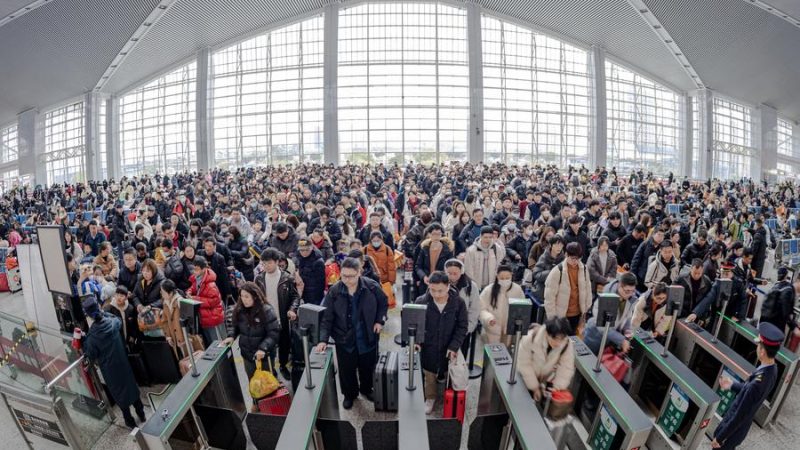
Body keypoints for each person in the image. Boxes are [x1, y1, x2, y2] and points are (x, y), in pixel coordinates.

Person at [315, 257, 388, 410]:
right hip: (344, 337)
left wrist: (379, 321)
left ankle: (366, 389)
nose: (347, 280)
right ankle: (349, 394)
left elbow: (383, 302)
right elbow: (327, 318)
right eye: (344, 276)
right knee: (346, 369)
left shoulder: (372, 287)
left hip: (367, 335)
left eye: (351, 276)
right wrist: (323, 339)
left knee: (367, 366)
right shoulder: (334, 291)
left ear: (359, 273)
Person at [712, 323, 782, 449]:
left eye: (758, 345)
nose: (757, 348)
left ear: (762, 351)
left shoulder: (758, 383)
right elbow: (749, 393)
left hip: (731, 433)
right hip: (739, 430)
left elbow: (739, 415)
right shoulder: (772, 369)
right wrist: (732, 385)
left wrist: (720, 437)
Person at [81, 297, 145, 429]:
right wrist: (104, 313)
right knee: (131, 388)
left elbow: (90, 354)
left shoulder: (92, 337)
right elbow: (118, 321)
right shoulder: (113, 323)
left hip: (110, 370)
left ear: (88, 315)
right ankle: (141, 413)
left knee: (119, 393)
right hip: (123, 364)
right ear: (99, 308)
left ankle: (129, 420)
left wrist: (82, 340)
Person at [414, 271, 468, 414]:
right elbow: (415, 325)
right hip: (429, 346)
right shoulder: (421, 301)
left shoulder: (458, 303)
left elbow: (462, 326)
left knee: (447, 370)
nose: (436, 294)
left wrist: (454, 346)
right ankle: (430, 397)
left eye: (440, 291)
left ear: (448, 286)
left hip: (448, 344)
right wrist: (417, 341)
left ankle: (445, 390)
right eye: (432, 290)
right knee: (429, 374)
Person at [256, 248, 301, 380]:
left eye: (269, 263)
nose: (266, 266)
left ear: (277, 262)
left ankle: (282, 365)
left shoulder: (286, 278)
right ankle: (271, 368)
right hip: (266, 320)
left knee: (284, 344)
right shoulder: (259, 278)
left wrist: (292, 309)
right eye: (263, 263)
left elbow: (295, 297)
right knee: (268, 345)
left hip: (282, 319)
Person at [222, 281, 281, 380]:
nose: (244, 300)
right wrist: (231, 336)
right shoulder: (239, 309)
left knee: (268, 384)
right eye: (242, 296)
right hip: (247, 355)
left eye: (247, 296)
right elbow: (234, 325)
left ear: (255, 296)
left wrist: (263, 348)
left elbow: (274, 333)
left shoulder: (266, 310)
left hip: (264, 357)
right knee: (253, 382)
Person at [517, 317, 576, 401]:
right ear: (547, 333)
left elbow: (566, 367)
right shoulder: (530, 337)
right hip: (524, 377)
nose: (558, 343)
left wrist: (557, 386)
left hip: (544, 380)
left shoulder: (566, 344)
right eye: (555, 338)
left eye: (561, 339)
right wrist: (534, 387)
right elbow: (524, 364)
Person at [583, 272, 638, 355]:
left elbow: (627, 317)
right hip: (594, 337)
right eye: (627, 291)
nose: (630, 294)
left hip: (610, 340)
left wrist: (627, 330)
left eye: (632, 291)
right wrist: (622, 340)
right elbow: (602, 326)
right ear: (620, 286)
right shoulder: (606, 297)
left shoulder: (630, 299)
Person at [543, 242, 592, 330]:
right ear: (566, 254)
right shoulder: (558, 271)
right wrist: (553, 319)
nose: (576, 261)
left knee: (573, 341)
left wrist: (586, 308)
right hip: (561, 315)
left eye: (578, 258)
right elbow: (549, 298)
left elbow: (588, 288)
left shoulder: (584, 269)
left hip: (577, 314)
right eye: (573, 258)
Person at [479, 265, 525, 345]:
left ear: (511, 275)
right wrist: (488, 318)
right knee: (492, 353)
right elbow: (481, 308)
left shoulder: (517, 290)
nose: (505, 280)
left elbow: (522, 307)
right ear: (497, 277)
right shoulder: (488, 290)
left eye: (507, 278)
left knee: (507, 353)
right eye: (502, 278)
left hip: (509, 330)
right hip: (492, 329)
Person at [444, 259, 482, 357]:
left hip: (463, 328)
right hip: (444, 328)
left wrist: (468, 328)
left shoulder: (470, 286)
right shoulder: (441, 283)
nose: (452, 276)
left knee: (460, 357)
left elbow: (474, 308)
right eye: (449, 273)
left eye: (455, 273)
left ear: (462, 272)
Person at [187, 256, 226, 346]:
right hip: (205, 317)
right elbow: (193, 288)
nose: (194, 272)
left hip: (213, 317)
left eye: (196, 269)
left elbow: (214, 301)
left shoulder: (211, 284)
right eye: (194, 269)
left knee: (218, 343)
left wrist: (195, 299)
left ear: (204, 269)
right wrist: (189, 292)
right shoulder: (197, 279)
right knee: (211, 343)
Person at [464, 225, 506, 290]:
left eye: (490, 237)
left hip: (492, 284)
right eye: (485, 237)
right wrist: (473, 282)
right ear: (480, 236)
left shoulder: (497, 248)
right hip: (476, 284)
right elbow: (468, 268)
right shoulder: (471, 250)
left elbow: (499, 264)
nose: (488, 239)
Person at [159, 279, 193, 359]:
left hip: (185, 339)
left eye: (163, 292)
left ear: (170, 293)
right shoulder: (165, 303)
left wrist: (185, 337)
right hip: (174, 339)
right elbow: (164, 321)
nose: (161, 293)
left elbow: (189, 322)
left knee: (191, 359)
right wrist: (168, 336)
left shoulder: (180, 301)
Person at [415, 224, 454, 291]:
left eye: (439, 234)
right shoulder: (425, 248)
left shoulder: (447, 250)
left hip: (441, 284)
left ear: (441, 235)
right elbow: (418, 266)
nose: (436, 237)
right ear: (429, 235)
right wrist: (423, 276)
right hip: (426, 284)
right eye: (434, 234)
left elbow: (450, 268)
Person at [103, 285, 141, 353]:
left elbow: (134, 324)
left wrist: (133, 336)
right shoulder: (108, 310)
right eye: (117, 295)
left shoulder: (130, 308)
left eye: (122, 296)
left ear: (126, 298)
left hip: (128, 341)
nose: (119, 298)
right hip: (116, 342)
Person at [760, 267, 796, 335]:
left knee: (762, 342)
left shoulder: (774, 287)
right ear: (786, 275)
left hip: (765, 322)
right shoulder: (788, 288)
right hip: (776, 326)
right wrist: (793, 326)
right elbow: (785, 311)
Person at [531, 235, 564, 301]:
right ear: (551, 245)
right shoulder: (544, 257)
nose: (559, 247)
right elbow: (536, 274)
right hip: (542, 289)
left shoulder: (563, 259)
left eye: (561, 245)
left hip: (557, 292)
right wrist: (552, 272)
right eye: (556, 245)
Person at [295, 238, 326, 305]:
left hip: (314, 295)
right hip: (302, 290)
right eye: (302, 250)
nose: (304, 252)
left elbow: (321, 284)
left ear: (312, 248)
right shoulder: (299, 257)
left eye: (307, 250)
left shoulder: (318, 261)